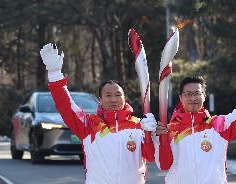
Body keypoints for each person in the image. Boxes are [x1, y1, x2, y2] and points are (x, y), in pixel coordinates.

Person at [40, 43, 157, 184]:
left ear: (124, 98)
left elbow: (151, 157)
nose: (113, 99)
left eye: (118, 95)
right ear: (100, 100)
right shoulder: (88, 125)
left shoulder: (139, 125)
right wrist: (55, 75)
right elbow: (66, 106)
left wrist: (153, 135)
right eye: (108, 95)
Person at [154, 54, 236, 184]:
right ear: (181, 98)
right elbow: (164, 165)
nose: (193, 98)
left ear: (204, 96)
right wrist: (160, 140)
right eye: (188, 94)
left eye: (197, 94)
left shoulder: (219, 125)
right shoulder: (168, 130)